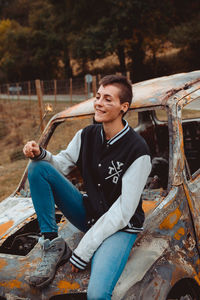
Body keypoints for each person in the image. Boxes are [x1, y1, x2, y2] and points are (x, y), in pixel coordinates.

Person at [23, 75, 151, 299]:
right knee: (37, 167)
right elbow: (61, 164)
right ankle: (53, 243)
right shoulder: (86, 135)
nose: (99, 103)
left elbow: (123, 212)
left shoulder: (138, 150)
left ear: (124, 107)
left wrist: (83, 250)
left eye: (107, 99)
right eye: (98, 96)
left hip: (120, 227)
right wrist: (40, 154)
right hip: (89, 212)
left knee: (97, 294)